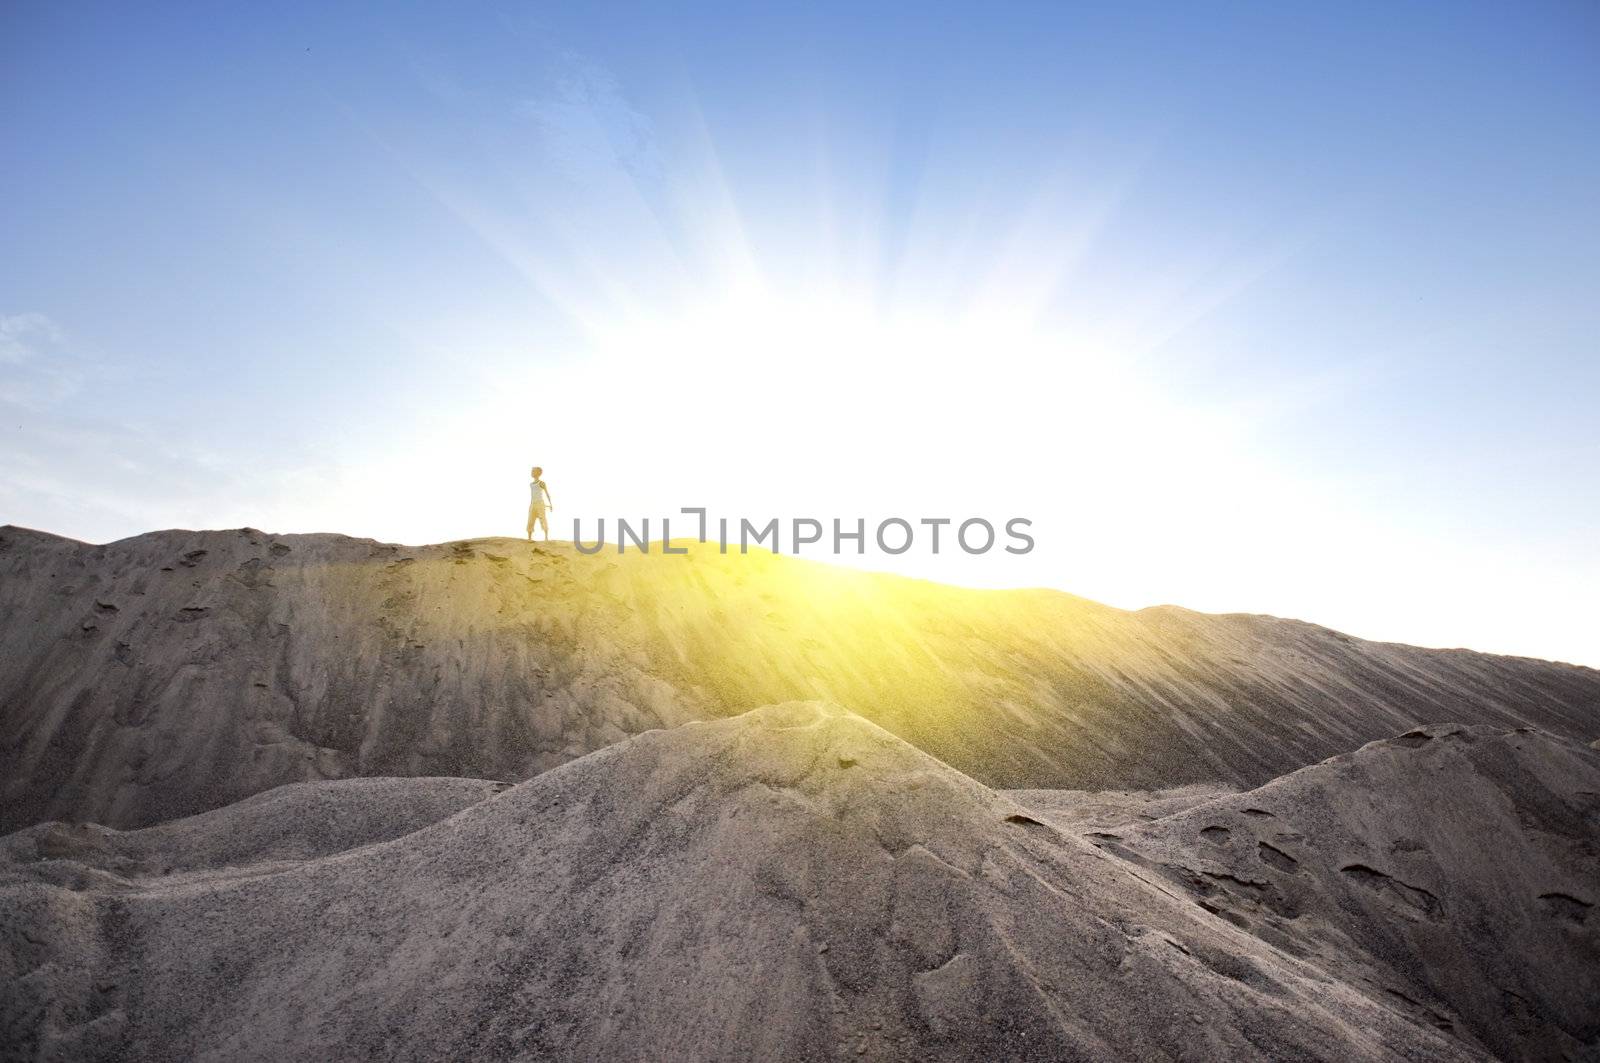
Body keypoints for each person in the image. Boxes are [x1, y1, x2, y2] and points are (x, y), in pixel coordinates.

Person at [526, 466, 553, 542]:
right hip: (533, 503)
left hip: (540, 503)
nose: (532, 473)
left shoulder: (541, 483)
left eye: (533, 471)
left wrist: (550, 504)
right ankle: (529, 537)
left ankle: (546, 537)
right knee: (530, 519)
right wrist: (530, 505)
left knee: (542, 518)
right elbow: (532, 495)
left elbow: (547, 493)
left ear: (538, 473)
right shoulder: (531, 484)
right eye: (532, 471)